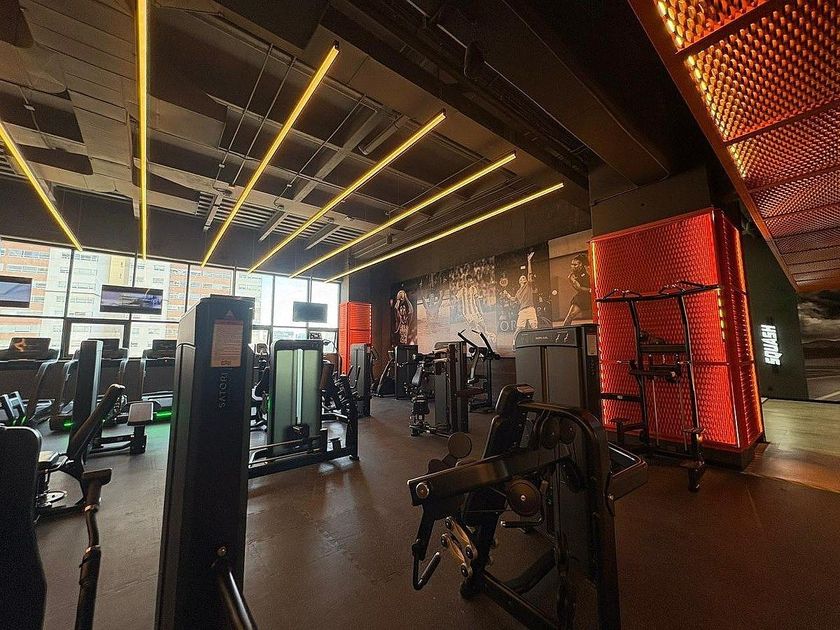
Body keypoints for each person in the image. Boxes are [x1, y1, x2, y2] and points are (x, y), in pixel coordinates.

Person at [502, 251, 538, 331]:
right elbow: (513, 299)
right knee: (519, 329)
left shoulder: (528, 285)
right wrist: (507, 294)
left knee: (534, 327)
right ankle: (515, 339)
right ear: (519, 281)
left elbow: (530, 273)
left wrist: (529, 261)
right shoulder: (518, 292)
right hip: (522, 311)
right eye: (522, 278)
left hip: (530, 309)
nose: (523, 278)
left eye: (524, 277)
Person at [562, 253, 591, 325]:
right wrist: (572, 281)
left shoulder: (588, 269)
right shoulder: (572, 276)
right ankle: (565, 331)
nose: (572, 266)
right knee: (570, 316)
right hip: (584, 296)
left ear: (580, 264)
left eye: (575, 265)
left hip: (596, 294)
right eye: (572, 264)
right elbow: (579, 288)